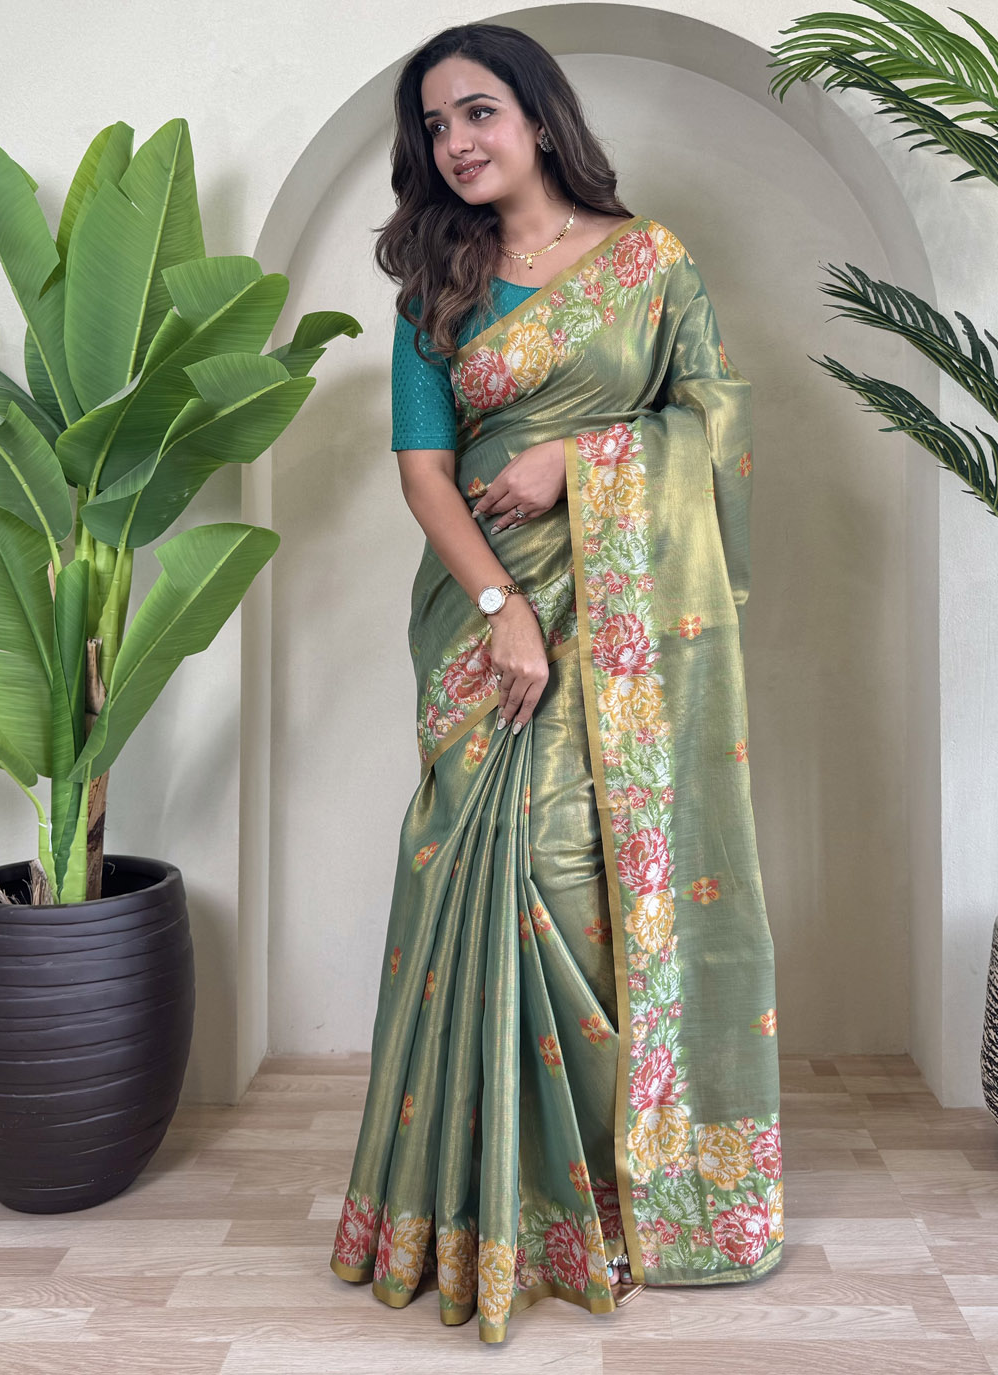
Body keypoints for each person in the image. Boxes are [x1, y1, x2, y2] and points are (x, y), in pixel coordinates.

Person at [330, 21, 783, 1345]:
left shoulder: (651, 264)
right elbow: (424, 474)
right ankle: (493, 1203)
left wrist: (581, 462)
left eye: (477, 111)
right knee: (474, 866)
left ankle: (607, 1192)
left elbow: (716, 422)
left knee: (578, 880)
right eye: (434, 126)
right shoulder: (437, 280)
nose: (456, 142)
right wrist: (503, 610)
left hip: (624, 619)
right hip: (485, 622)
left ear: (537, 115)